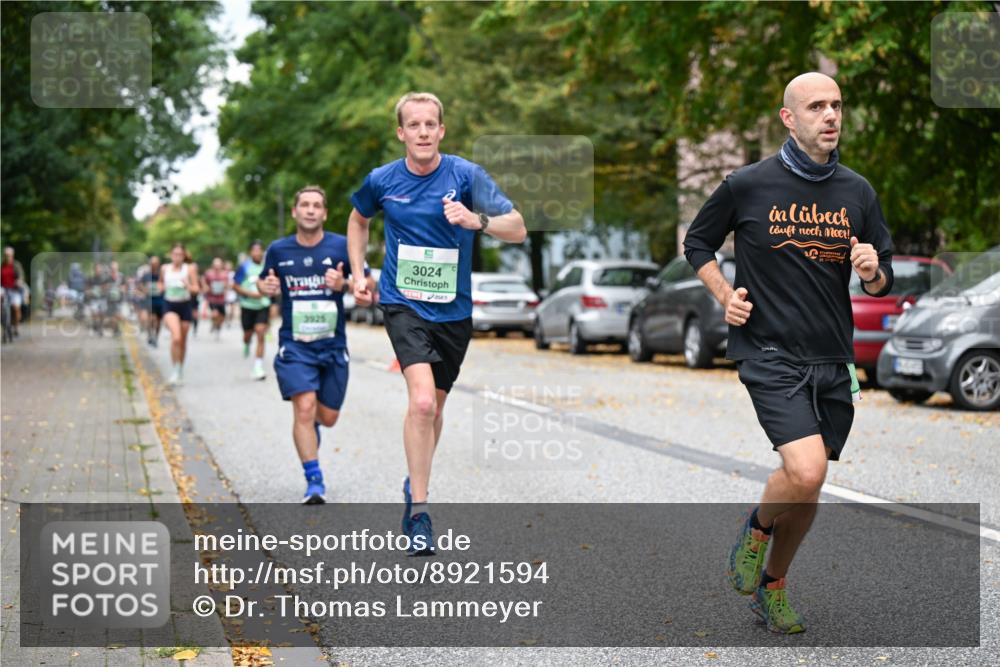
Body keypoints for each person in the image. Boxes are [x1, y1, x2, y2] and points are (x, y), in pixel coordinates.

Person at [684, 72, 894, 634]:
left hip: (833, 356)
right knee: (806, 469)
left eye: (837, 105)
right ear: (789, 118)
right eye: (818, 107)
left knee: (809, 485)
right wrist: (726, 295)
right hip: (769, 352)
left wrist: (872, 274)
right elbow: (697, 243)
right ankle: (755, 528)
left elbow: (881, 277)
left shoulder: (857, 191)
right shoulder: (747, 184)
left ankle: (772, 586)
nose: (831, 116)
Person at [347, 92, 526, 554]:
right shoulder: (382, 179)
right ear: (401, 133)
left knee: (436, 409)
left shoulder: (466, 175)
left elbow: (517, 226)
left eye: (431, 125)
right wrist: (358, 271)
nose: (423, 132)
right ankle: (421, 514)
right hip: (402, 303)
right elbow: (358, 219)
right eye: (414, 125)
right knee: (422, 404)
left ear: (441, 131)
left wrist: (476, 220)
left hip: (453, 312)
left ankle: (414, 482)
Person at [259, 185, 372, 505]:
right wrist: (265, 285)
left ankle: (310, 430)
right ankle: (314, 480)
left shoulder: (341, 246)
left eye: (316, 205)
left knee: (328, 416)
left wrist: (347, 283)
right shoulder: (279, 250)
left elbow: (370, 287)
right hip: (295, 345)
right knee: (304, 408)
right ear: (295, 212)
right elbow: (264, 280)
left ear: (324, 213)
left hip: (333, 345)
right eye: (304, 205)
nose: (310, 210)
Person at [159, 243, 200, 385]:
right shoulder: (165, 269)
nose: (177, 257)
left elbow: (196, 289)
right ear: (171, 255)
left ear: (184, 256)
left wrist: (187, 285)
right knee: (176, 338)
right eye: (175, 254)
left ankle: (180, 367)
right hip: (170, 305)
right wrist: (162, 287)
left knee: (183, 341)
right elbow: (160, 284)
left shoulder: (189, 269)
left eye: (180, 254)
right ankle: (175, 370)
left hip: (185, 306)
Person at [233, 240, 271, 380]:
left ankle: (258, 367)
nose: (257, 252)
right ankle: (246, 342)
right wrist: (250, 294)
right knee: (247, 334)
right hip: (247, 305)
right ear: (250, 252)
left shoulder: (267, 266)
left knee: (261, 333)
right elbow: (235, 285)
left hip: (263, 304)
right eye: (254, 250)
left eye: (259, 250)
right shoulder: (244, 267)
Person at [202, 257, 229, 340]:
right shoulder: (209, 273)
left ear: (221, 265)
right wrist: (206, 287)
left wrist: (225, 288)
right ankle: (214, 323)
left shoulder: (225, 274)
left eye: (219, 265)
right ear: (213, 265)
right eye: (215, 265)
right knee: (215, 314)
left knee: (222, 317)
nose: (217, 267)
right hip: (212, 298)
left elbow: (227, 285)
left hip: (221, 299)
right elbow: (203, 281)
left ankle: (217, 327)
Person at [1, 247, 26, 337]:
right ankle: (4, 323)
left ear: (12, 255)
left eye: (9, 255)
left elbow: (21, 276)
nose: (7, 257)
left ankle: (16, 326)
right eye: (5, 255)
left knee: (15, 307)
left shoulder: (16, 265)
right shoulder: (2, 265)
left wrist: (19, 281)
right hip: (3, 288)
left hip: (15, 289)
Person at [143, 256, 165, 346]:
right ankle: (150, 335)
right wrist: (145, 289)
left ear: (158, 264)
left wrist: (162, 288)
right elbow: (140, 285)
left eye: (155, 264)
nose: (154, 265)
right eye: (152, 264)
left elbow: (166, 284)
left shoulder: (162, 274)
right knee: (152, 319)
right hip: (150, 300)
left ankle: (156, 337)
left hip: (160, 300)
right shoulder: (146, 275)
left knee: (159, 321)